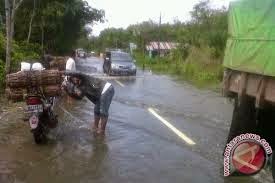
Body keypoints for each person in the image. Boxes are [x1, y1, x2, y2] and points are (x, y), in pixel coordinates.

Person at [63, 71, 115, 136]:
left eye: (74, 78)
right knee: (96, 110)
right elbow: (79, 98)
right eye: (73, 80)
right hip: (99, 95)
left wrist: (63, 72)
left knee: (103, 111)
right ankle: (95, 127)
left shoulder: (84, 78)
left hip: (106, 89)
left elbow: (78, 73)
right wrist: (67, 91)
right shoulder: (80, 87)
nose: (74, 80)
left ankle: (102, 131)